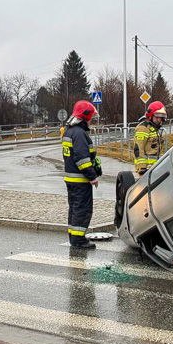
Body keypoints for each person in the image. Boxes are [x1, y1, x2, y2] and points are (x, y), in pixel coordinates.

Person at [61, 100, 101, 250]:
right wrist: (92, 176)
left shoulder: (69, 131)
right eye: (91, 117)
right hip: (80, 180)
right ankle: (78, 240)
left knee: (74, 208)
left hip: (71, 179)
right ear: (85, 116)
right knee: (82, 209)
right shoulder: (79, 133)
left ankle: (73, 236)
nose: (91, 120)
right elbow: (82, 160)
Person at [134, 101, 167, 176]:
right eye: (157, 117)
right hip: (146, 171)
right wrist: (142, 168)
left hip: (155, 168)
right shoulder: (143, 128)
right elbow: (138, 148)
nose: (159, 120)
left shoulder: (154, 129)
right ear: (150, 116)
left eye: (161, 117)